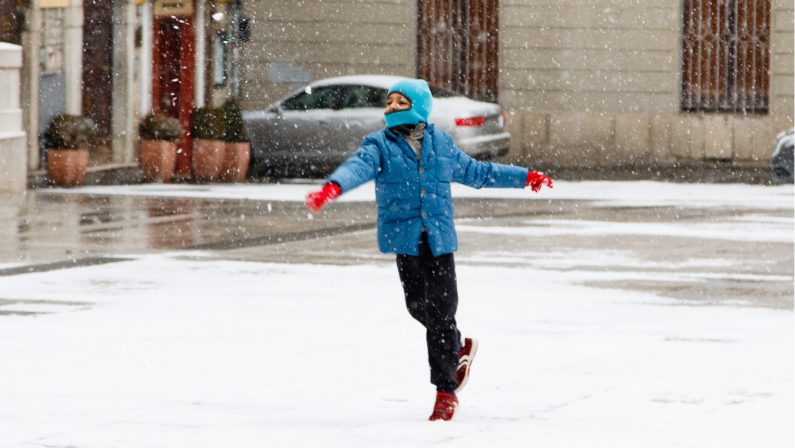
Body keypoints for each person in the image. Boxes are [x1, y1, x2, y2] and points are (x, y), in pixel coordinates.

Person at [305, 78, 553, 421]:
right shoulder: (379, 144)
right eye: (388, 102)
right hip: (405, 240)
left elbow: (479, 172)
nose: (390, 107)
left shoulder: (441, 144)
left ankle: (445, 391)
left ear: (418, 107)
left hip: (437, 241)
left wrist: (524, 177)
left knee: (440, 311)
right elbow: (358, 167)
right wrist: (333, 186)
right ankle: (457, 345)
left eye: (399, 102)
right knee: (418, 307)